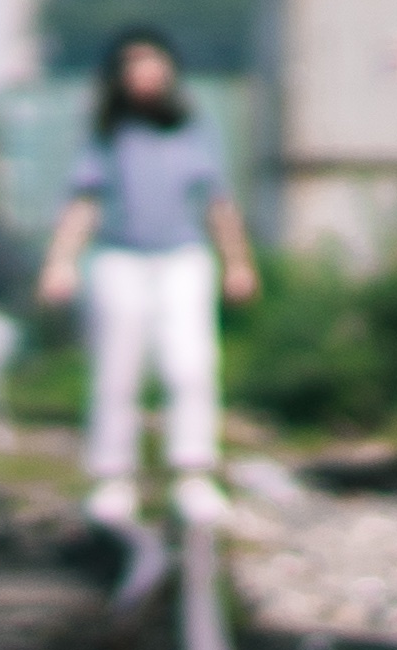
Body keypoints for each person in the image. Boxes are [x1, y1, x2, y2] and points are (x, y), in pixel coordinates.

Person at [37, 27, 257, 541]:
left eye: (152, 63)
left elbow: (216, 201)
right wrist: (60, 262)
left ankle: (193, 473)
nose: (143, 74)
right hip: (119, 259)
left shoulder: (192, 128)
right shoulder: (107, 134)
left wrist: (238, 263)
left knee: (190, 364)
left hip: (183, 258)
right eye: (132, 65)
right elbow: (84, 201)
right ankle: (113, 479)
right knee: (118, 371)